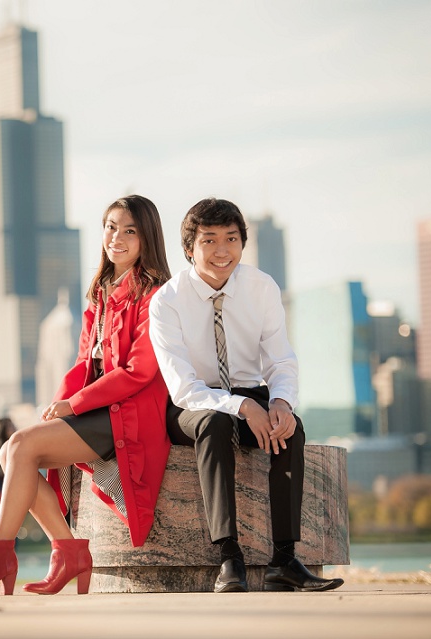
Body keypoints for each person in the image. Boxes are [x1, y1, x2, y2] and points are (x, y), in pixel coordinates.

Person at [0, 194, 173, 596]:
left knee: (18, 450)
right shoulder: (102, 294)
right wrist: (56, 407)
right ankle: (67, 551)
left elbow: (139, 370)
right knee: (10, 451)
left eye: (129, 231)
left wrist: (75, 404)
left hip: (130, 412)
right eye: (110, 227)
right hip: (98, 407)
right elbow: (82, 364)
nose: (116, 238)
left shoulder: (155, 296)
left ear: (147, 238)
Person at [148, 197, 344, 593]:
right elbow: (184, 387)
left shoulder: (261, 287)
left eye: (232, 239)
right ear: (189, 249)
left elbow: (280, 360)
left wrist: (282, 403)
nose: (222, 251)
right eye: (210, 240)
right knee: (216, 421)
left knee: (290, 428)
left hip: (251, 393)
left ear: (242, 243)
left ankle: (284, 561)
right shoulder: (167, 301)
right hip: (192, 404)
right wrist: (241, 406)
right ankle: (229, 558)